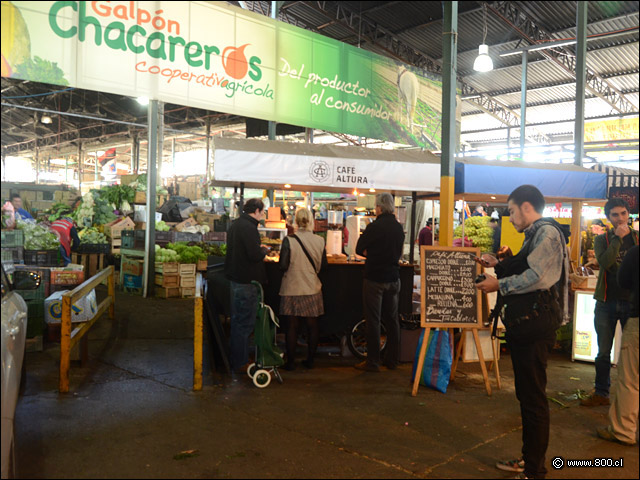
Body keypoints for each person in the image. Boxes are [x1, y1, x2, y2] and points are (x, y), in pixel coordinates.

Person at [476, 185, 569, 480]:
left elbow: (538, 276)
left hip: (534, 327)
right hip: (527, 326)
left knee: (533, 400)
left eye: (512, 211)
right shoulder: (537, 234)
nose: (511, 218)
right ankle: (530, 461)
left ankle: (534, 470)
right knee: (528, 397)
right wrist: (499, 264)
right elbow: (527, 268)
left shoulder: (547, 233)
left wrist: (498, 284)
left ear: (527, 207)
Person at [581, 199, 638, 406]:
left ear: (629, 214)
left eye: (623, 213)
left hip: (632, 304)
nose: (620, 218)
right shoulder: (602, 240)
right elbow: (605, 263)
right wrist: (618, 239)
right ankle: (601, 393)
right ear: (608, 218)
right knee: (603, 352)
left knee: (632, 352)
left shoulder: (638, 239)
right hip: (606, 302)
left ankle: (629, 398)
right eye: (615, 215)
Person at [354, 193, 405, 372]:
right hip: (393, 278)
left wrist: (373, 255)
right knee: (392, 321)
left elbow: (358, 248)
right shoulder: (398, 228)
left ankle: (373, 362)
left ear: (379, 207)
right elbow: (399, 253)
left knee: (373, 321)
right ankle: (392, 360)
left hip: (375, 278)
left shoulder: (374, 227)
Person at [597, 244, 638, 446]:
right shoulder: (603, 240)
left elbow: (624, 281)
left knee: (630, 380)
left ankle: (624, 431)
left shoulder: (636, 251)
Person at [278, 208, 328, 371]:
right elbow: (324, 266)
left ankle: (291, 362)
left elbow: (283, 265)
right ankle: (310, 360)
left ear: (296, 222)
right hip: (312, 288)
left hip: (292, 288)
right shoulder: (320, 241)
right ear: (311, 221)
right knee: (312, 326)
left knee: (292, 326)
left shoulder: (288, 240)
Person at [224, 198, 269, 374]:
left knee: (237, 323)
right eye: (263, 212)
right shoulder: (249, 227)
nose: (263, 215)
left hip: (236, 280)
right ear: (256, 211)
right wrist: (264, 250)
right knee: (244, 324)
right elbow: (253, 254)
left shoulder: (237, 224)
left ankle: (236, 359)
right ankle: (241, 363)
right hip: (246, 282)